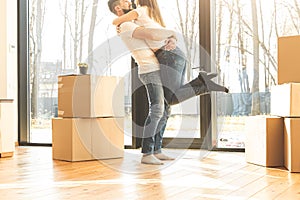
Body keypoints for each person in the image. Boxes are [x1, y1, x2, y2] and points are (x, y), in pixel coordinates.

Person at [107, 0, 228, 165]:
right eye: (125, 1)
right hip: (149, 70)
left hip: (156, 67)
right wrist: (172, 33)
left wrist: (171, 39)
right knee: (157, 109)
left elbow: (155, 37)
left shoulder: (131, 22)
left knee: (165, 110)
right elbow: (152, 35)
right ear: (118, 8)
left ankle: (156, 150)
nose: (129, 1)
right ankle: (147, 153)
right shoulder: (126, 26)